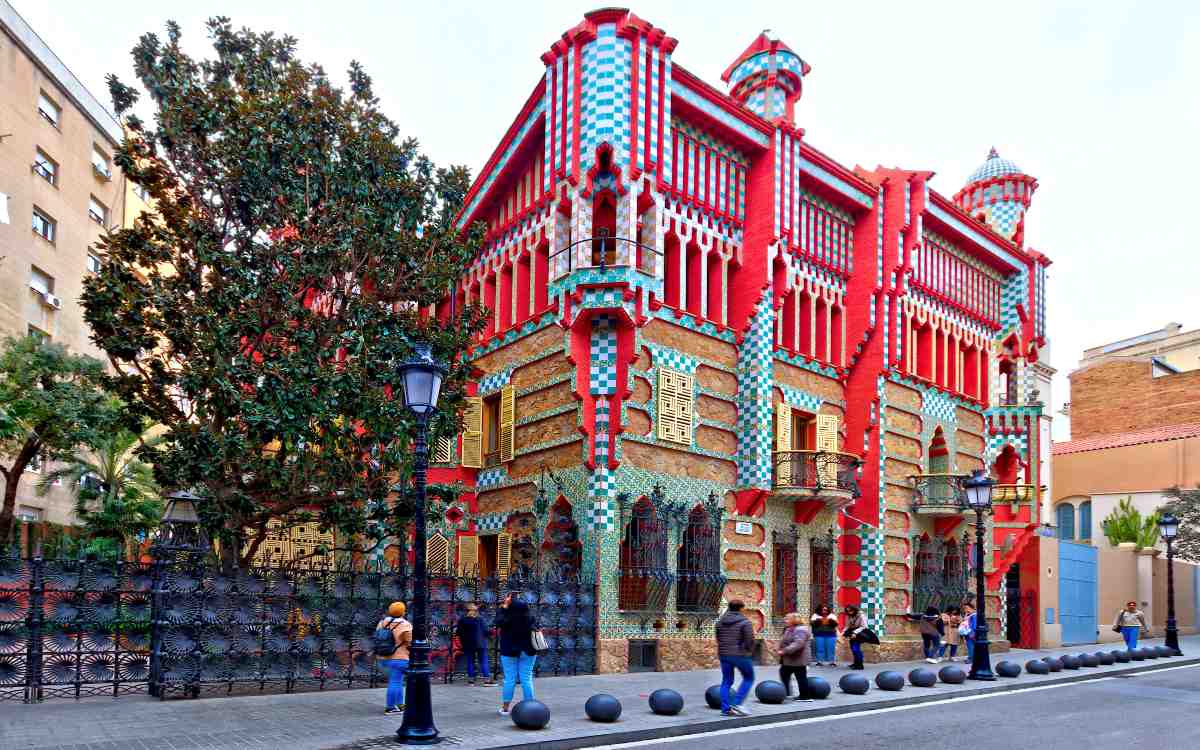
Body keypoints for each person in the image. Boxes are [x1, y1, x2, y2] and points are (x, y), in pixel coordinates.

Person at [495, 593, 538, 716]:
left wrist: (504, 606)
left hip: (509, 651)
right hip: (528, 650)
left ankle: (505, 708)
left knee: (509, 679)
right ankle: (530, 706)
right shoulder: (530, 618)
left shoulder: (506, 619)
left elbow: (497, 621)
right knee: (526, 678)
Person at [715, 599, 756, 716]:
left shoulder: (720, 622)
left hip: (724, 654)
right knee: (749, 678)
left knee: (726, 681)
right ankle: (737, 704)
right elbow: (749, 640)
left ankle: (725, 709)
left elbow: (718, 638)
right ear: (741, 608)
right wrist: (748, 651)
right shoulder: (745, 622)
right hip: (740, 655)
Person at [375, 601, 413, 715]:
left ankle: (400, 704)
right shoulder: (405, 625)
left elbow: (377, 637)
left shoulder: (382, 623)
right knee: (396, 681)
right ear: (403, 612)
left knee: (398, 681)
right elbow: (410, 642)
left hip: (382, 658)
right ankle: (390, 707)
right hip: (398, 658)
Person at [456, 604, 495, 686]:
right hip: (480, 644)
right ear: (476, 611)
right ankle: (487, 681)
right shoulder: (480, 619)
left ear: (466, 611)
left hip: (468, 644)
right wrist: (492, 632)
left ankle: (471, 681)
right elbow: (486, 631)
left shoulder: (462, 620)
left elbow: (458, 633)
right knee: (483, 661)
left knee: (470, 661)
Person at [778, 612, 814, 701]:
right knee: (784, 673)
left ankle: (805, 696)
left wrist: (785, 650)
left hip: (798, 658)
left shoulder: (801, 630)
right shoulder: (789, 629)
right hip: (790, 658)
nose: (785, 620)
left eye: (787, 618)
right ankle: (787, 693)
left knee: (800, 677)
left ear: (794, 620)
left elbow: (798, 644)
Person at [842, 605, 868, 670]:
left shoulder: (861, 615)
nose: (849, 612)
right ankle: (855, 663)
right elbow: (847, 626)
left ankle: (860, 665)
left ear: (854, 609)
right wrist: (843, 632)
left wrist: (855, 632)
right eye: (847, 611)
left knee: (855, 648)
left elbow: (864, 626)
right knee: (853, 648)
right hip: (852, 634)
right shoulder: (848, 616)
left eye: (851, 610)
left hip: (860, 633)